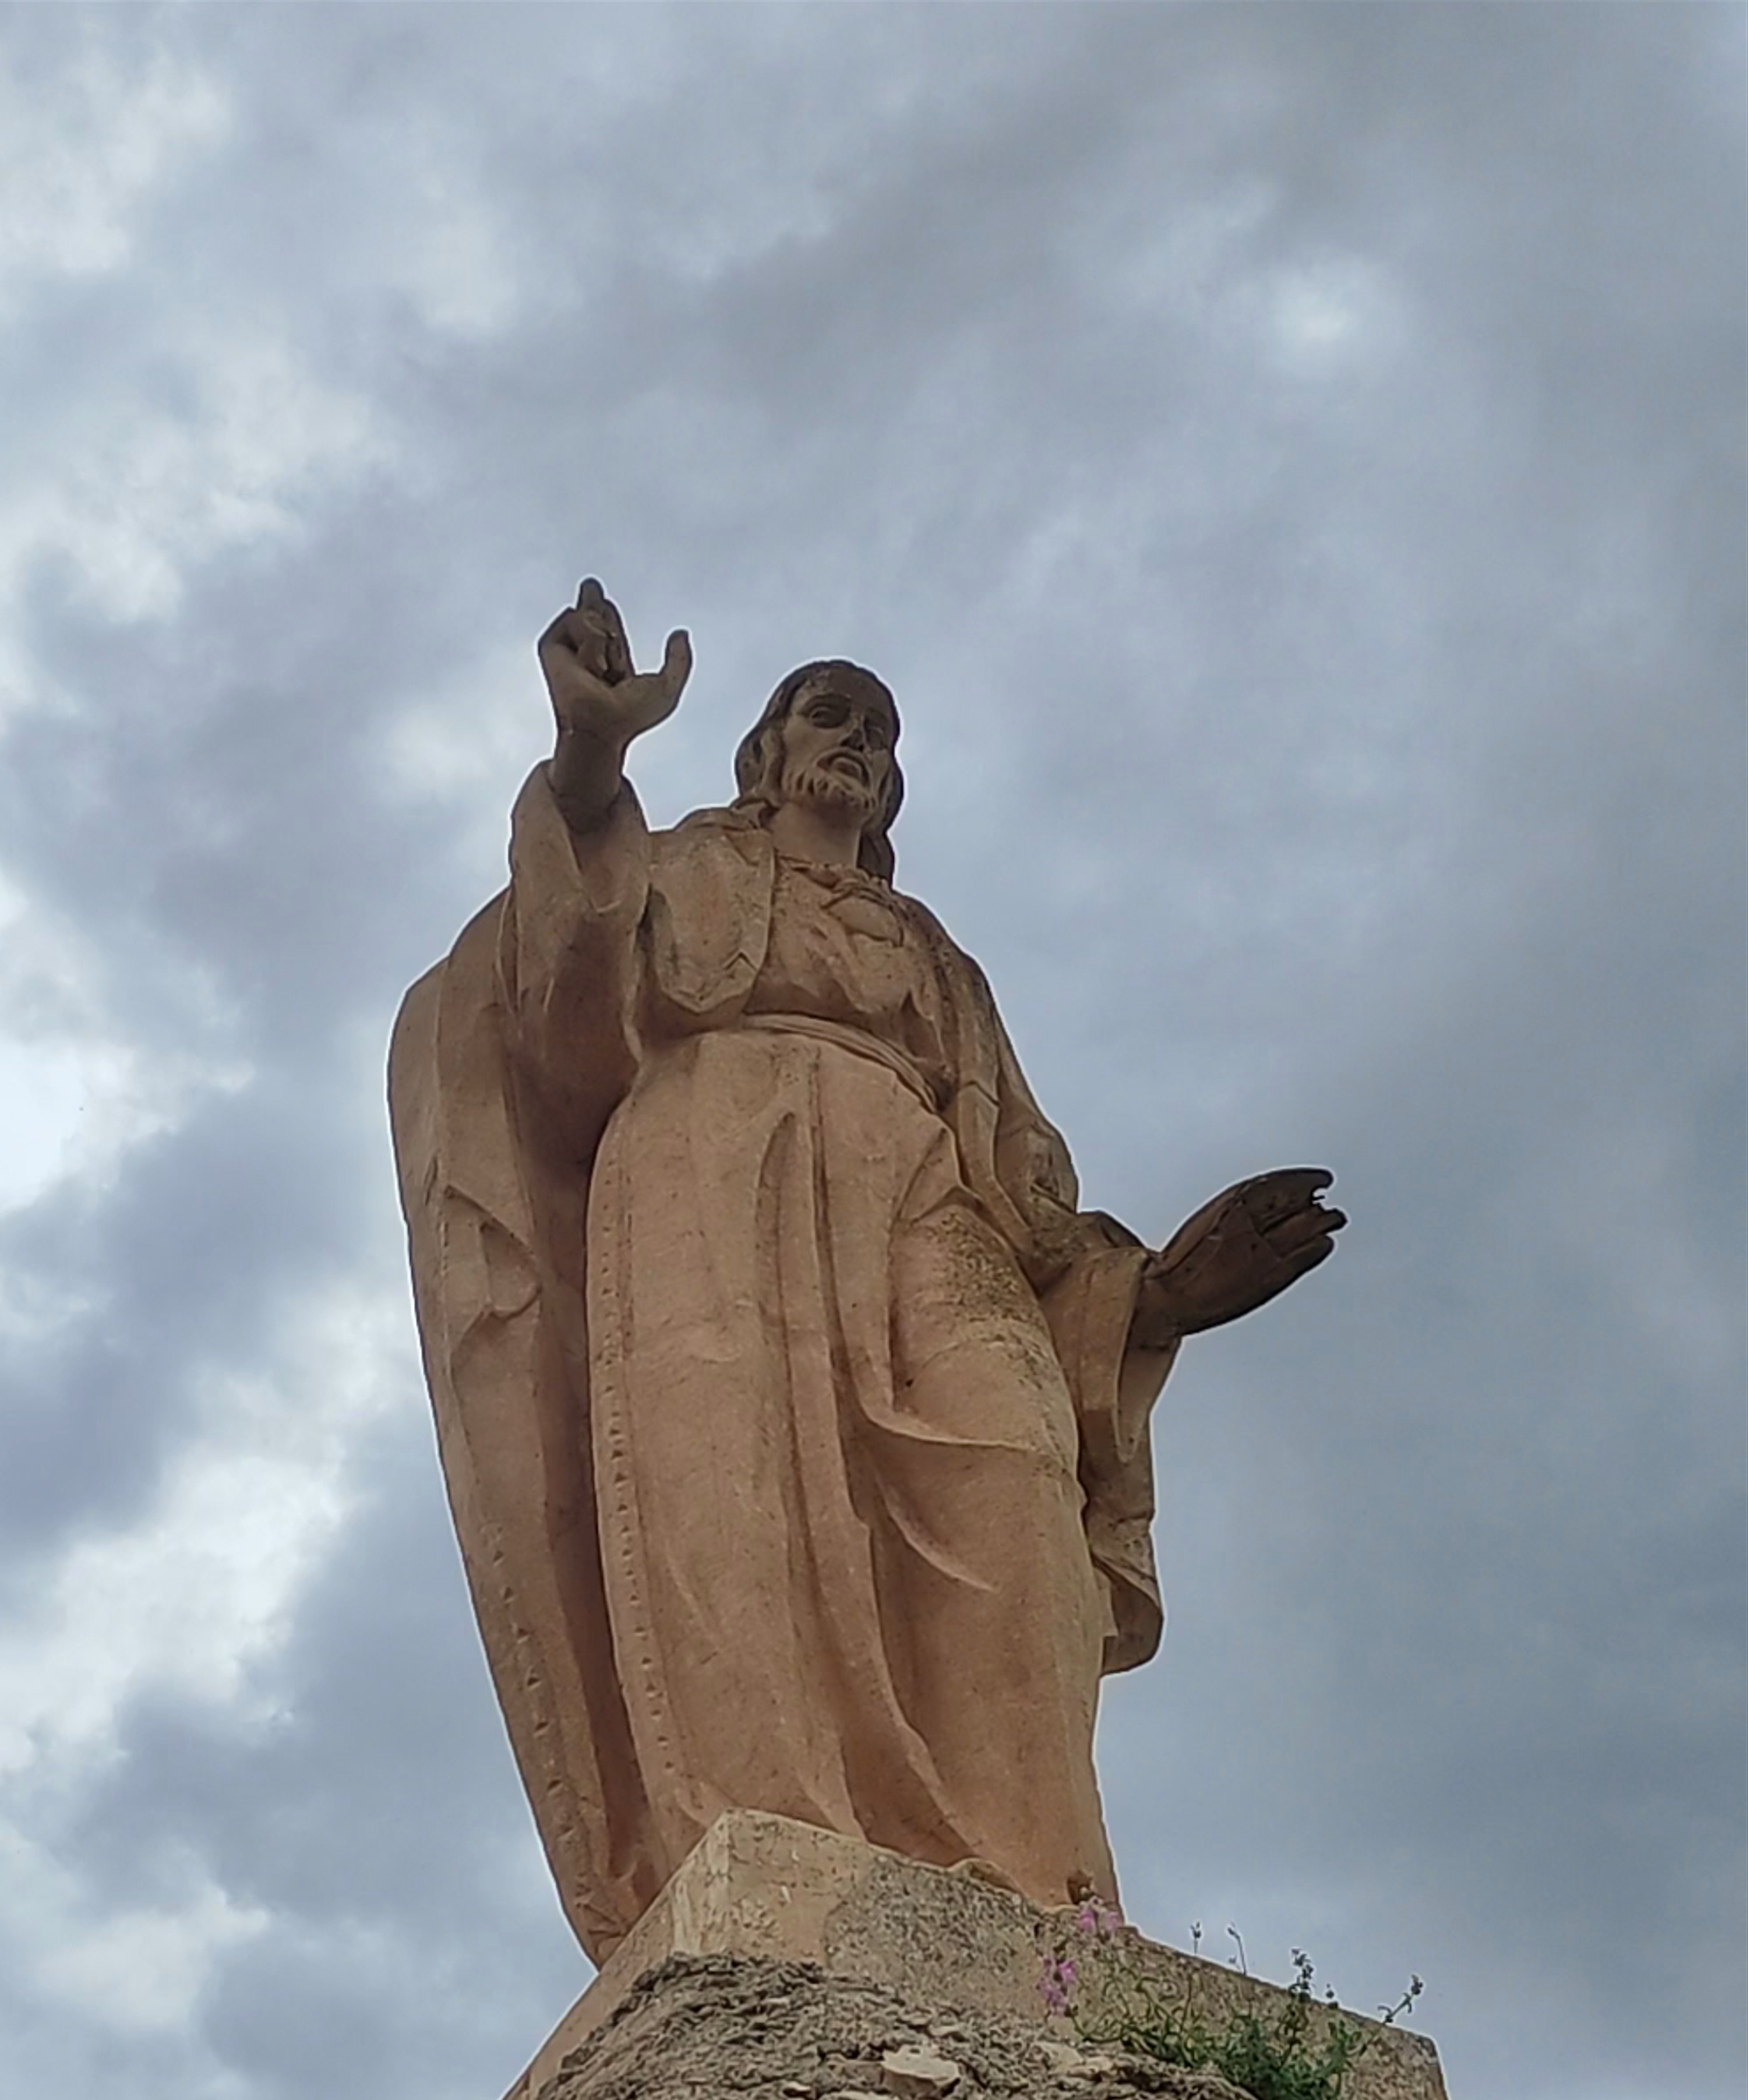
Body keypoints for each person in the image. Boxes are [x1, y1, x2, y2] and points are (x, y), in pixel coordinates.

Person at [389, 581, 1342, 1965]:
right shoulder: (677, 865)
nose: (862, 744)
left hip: (919, 1189)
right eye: (829, 715)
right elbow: (561, 1014)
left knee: (1011, 1471)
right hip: (710, 1162)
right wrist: (593, 760)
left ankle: (1049, 1905)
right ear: (765, 755)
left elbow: (1021, 1183)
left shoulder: (934, 957)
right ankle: (778, 1861)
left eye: (884, 733)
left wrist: (1156, 1296)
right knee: (733, 1498)